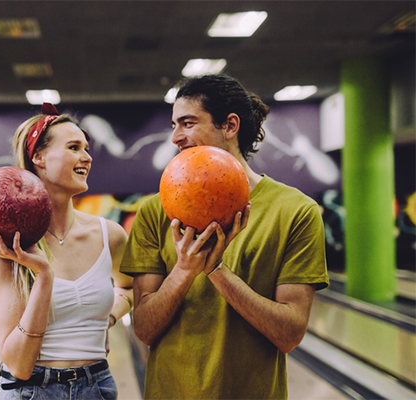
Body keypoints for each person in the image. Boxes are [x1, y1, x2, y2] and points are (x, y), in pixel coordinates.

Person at [120, 74, 329, 399]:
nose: (175, 136)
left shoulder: (296, 211)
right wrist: (185, 270)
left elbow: (289, 334)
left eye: (187, 123)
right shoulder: (153, 211)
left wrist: (217, 271)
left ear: (230, 125)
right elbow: (144, 330)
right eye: (174, 124)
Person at [0, 103, 134, 400]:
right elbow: (18, 364)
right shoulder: (6, 246)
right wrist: (43, 277)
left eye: (86, 148)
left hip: (97, 387)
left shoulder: (110, 235)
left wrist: (109, 319)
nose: (87, 157)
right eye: (74, 147)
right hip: (30, 390)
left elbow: (128, 288)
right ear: (38, 157)